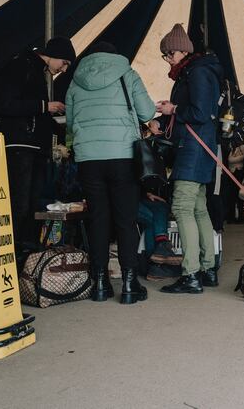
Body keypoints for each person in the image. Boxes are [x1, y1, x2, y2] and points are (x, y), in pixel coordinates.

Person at [65, 41, 155, 304]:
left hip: (89, 159)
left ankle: (100, 284)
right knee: (125, 221)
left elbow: (70, 123)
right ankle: (129, 284)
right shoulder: (127, 73)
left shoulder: (75, 80)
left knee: (98, 220)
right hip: (122, 157)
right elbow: (147, 112)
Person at [150, 24, 222, 295]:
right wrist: (162, 119)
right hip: (199, 147)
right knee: (198, 209)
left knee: (181, 208)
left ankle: (190, 274)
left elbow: (200, 112)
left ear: (181, 51)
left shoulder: (198, 72)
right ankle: (208, 268)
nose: (167, 60)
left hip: (193, 148)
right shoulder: (198, 70)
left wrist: (173, 108)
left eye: (168, 54)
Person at [0, 37, 74, 253]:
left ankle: (28, 253)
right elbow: (5, 104)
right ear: (54, 53)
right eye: (64, 63)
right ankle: (14, 252)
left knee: (33, 203)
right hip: (20, 146)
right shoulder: (20, 65)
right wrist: (44, 106)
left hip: (35, 148)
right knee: (20, 203)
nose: (64, 69)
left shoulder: (37, 71)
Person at [223, 142, 244, 224]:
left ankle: (238, 216)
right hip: (234, 174)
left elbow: (232, 160)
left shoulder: (240, 149)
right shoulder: (232, 149)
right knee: (233, 197)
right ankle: (232, 216)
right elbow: (230, 160)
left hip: (238, 174)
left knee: (239, 197)